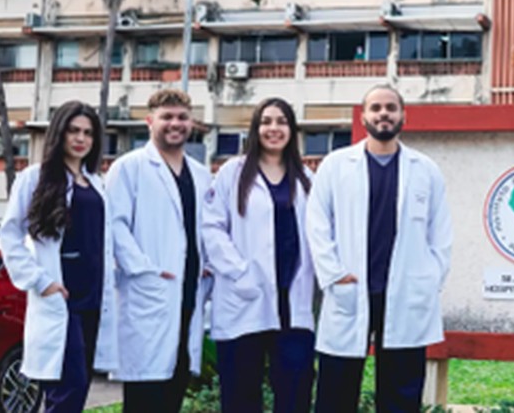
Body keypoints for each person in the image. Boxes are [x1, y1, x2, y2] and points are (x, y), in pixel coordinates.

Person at [307, 84, 453, 412]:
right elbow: (317, 225)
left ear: (403, 115)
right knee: (336, 390)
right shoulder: (335, 165)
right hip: (350, 287)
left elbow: (440, 234)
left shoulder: (425, 170)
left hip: (404, 292)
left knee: (401, 393)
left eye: (390, 107)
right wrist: (333, 274)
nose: (383, 114)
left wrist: (429, 280)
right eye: (375, 108)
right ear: (364, 116)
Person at [0, 100, 117, 413]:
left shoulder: (96, 183)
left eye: (88, 133)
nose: (80, 138)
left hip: (94, 300)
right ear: (59, 134)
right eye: (73, 130)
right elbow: (10, 235)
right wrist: (41, 281)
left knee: (78, 391)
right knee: (68, 389)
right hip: (61, 299)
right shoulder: (35, 178)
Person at [203, 98, 316, 412]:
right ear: (256, 129)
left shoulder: (306, 178)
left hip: (293, 306)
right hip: (245, 298)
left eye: (282, 121)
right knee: (241, 397)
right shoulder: (232, 173)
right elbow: (212, 228)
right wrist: (239, 272)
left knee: (295, 394)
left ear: (292, 130)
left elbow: (320, 233)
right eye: (266, 121)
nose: (274, 128)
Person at [107, 89, 212, 413]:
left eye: (182, 117)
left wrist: (208, 262)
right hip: (149, 294)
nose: (175, 124)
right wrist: (143, 268)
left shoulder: (201, 175)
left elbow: (206, 230)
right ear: (149, 121)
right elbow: (115, 226)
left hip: (188, 297)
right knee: (144, 396)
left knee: (175, 386)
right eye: (166, 117)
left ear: (191, 122)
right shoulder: (129, 168)